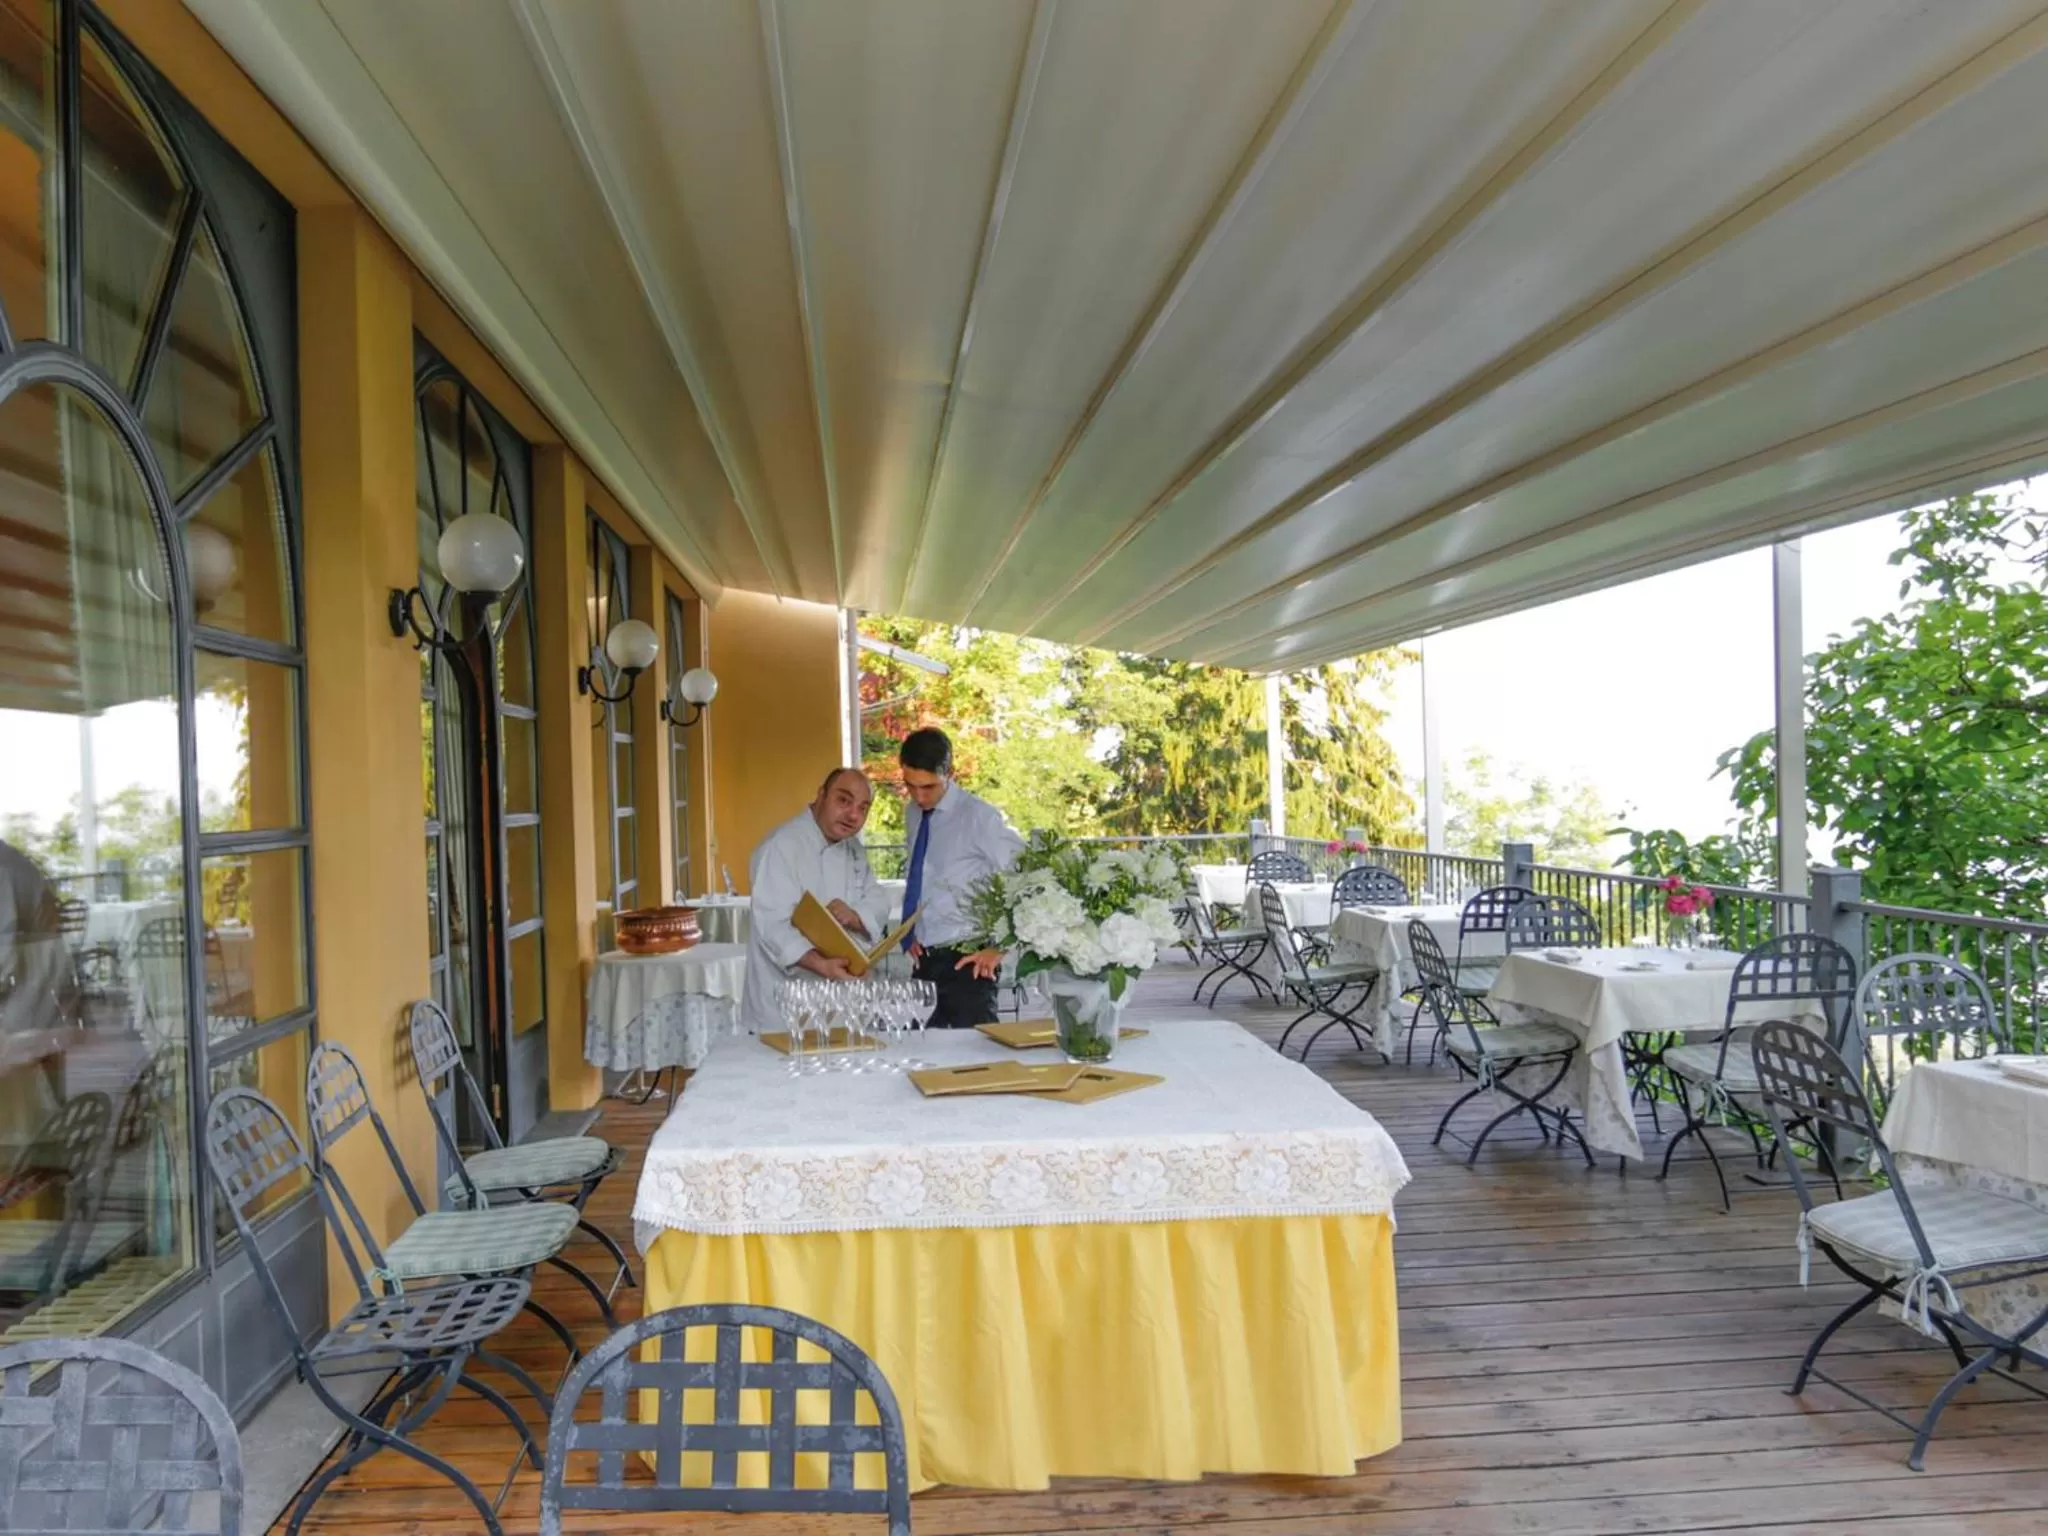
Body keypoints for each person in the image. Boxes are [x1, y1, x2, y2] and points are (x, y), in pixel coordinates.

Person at [741, 768, 893, 1034]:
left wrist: (856, 916)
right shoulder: (781, 846)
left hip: (843, 1004)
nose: (853, 815)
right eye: (843, 800)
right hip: (785, 1008)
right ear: (820, 795)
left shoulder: (852, 848)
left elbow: (877, 897)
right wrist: (821, 964)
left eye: (863, 808)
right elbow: (773, 926)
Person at [897, 728, 1023, 1028]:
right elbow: (923, 878)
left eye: (928, 787)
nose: (919, 796)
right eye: (910, 786)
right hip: (925, 960)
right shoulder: (913, 813)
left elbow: (1026, 878)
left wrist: (1001, 947)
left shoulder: (980, 817)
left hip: (970, 961)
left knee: (976, 1060)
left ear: (950, 773)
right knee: (923, 1056)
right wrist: (910, 931)